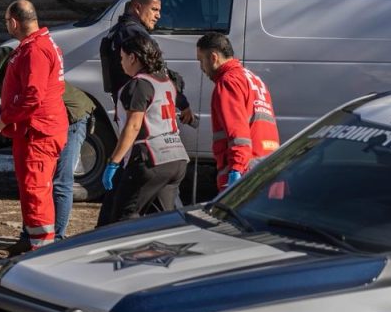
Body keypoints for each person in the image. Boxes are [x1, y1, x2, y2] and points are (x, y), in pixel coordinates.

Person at [0, 42, 95, 257]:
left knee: (60, 183)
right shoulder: (2, 68)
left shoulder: (13, 65)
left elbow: (31, 99)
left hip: (72, 117)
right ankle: (29, 240)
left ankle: (56, 242)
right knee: (35, 186)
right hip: (50, 120)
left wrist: (4, 118)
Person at [0, 0, 68, 250]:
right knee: (33, 190)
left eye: (6, 21)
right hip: (35, 130)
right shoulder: (37, 46)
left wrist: (5, 118)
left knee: (36, 191)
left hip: (38, 132)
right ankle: (33, 245)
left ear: (14, 22)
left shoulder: (35, 50)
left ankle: (40, 251)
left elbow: (33, 97)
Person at [99, 35, 190, 225]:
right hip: (176, 158)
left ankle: (120, 253)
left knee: (123, 219)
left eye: (122, 57)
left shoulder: (138, 85)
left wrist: (113, 162)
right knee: (162, 221)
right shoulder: (166, 81)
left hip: (151, 158)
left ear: (133, 58)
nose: (121, 62)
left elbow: (133, 126)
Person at [196, 32, 280, 190]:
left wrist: (236, 169)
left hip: (247, 172)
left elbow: (238, 133)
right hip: (269, 163)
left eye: (201, 61)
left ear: (213, 57)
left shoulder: (228, 82)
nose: (201, 68)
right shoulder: (253, 79)